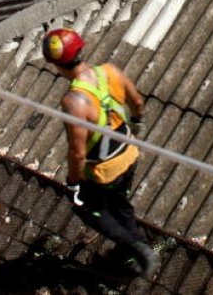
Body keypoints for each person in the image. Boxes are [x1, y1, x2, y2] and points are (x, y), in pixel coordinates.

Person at [42, 27, 160, 277]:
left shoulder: (74, 101)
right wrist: (137, 124)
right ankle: (137, 246)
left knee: (85, 206)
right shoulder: (110, 71)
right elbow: (137, 102)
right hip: (129, 153)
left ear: (55, 64)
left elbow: (77, 153)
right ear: (81, 50)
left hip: (105, 170)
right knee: (120, 204)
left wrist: (74, 183)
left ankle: (135, 246)